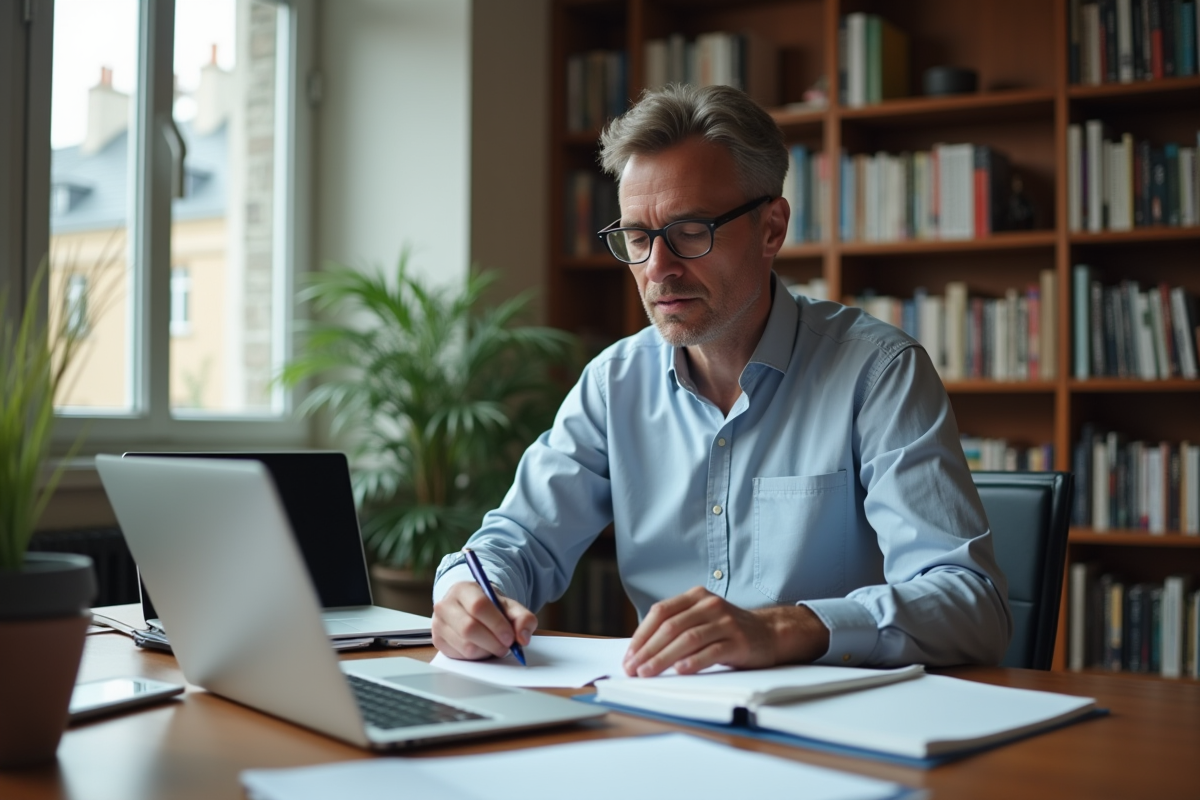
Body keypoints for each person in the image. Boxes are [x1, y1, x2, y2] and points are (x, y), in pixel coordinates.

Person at [431, 84, 1011, 677]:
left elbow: (971, 605)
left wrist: (788, 627)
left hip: (836, 734)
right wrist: (464, 594)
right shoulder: (614, 384)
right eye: (637, 237)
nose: (658, 268)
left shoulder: (878, 374)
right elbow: (516, 541)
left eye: (689, 231)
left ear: (771, 229)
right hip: (664, 722)